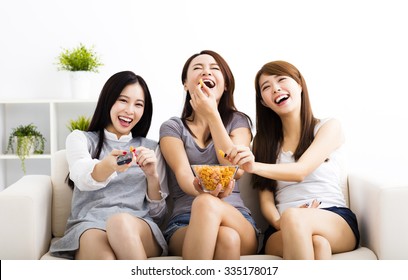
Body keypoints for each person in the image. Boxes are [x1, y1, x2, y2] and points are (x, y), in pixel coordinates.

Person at [227, 60, 360, 259]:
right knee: (318, 244)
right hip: (281, 224)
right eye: (266, 87)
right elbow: (266, 201)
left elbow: (300, 171)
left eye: (281, 79)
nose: (276, 88)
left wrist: (253, 166)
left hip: (332, 216)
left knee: (299, 221)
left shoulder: (328, 127)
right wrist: (284, 223)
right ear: (263, 101)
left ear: (299, 84)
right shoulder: (263, 143)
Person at [50, 71, 168, 259]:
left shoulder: (152, 149)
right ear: (108, 100)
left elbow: (158, 215)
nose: (130, 110)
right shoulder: (80, 139)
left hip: (137, 225)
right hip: (90, 224)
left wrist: (152, 176)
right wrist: (108, 166)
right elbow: (81, 177)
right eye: (123, 100)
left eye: (138, 104)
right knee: (105, 259)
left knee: (120, 223)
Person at [159, 50, 259, 259]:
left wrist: (212, 115)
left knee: (208, 206)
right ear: (186, 84)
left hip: (236, 217)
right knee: (226, 238)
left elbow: (235, 169)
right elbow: (184, 175)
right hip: (185, 221)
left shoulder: (238, 122)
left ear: (225, 84)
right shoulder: (172, 128)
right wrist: (203, 190)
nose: (206, 72)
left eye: (214, 69)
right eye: (197, 68)